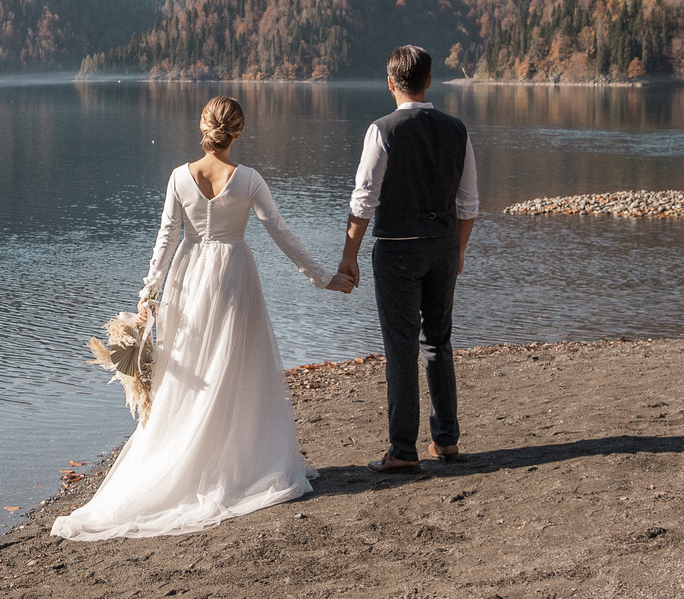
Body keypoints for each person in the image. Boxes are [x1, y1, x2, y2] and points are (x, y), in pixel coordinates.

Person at [53, 96, 343, 542]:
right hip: (232, 276)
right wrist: (323, 278)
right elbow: (281, 233)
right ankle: (233, 462)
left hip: (187, 279)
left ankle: (188, 456)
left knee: (189, 371)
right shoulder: (247, 179)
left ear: (203, 129)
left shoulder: (178, 177)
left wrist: (148, 293)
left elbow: (166, 238)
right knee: (233, 368)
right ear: (239, 132)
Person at [332, 45, 478, 473]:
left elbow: (364, 200)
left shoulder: (382, 130)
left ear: (391, 83)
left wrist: (349, 256)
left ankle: (402, 450)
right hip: (443, 246)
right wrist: (460, 250)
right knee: (438, 342)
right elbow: (469, 203)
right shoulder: (457, 129)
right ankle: (446, 441)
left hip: (397, 249)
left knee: (400, 348)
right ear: (430, 80)